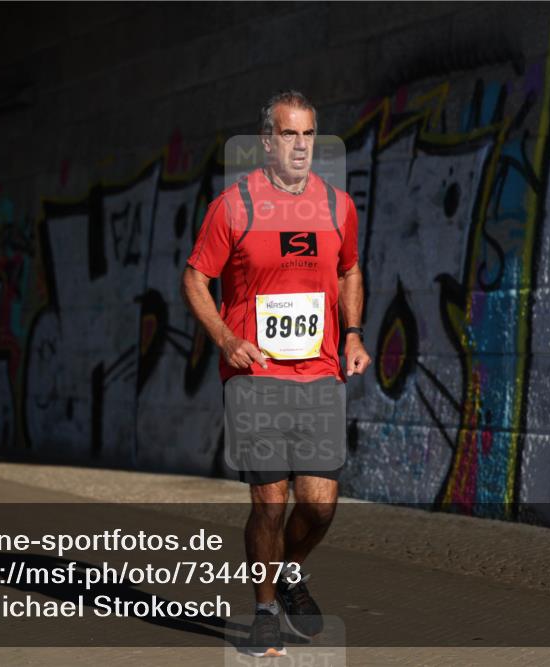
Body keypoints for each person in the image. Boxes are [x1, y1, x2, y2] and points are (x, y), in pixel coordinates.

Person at [182, 91, 370, 657]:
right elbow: (195, 279)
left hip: (319, 374)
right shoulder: (234, 206)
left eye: (308, 135)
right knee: (269, 501)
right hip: (256, 375)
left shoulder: (338, 207)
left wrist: (354, 333)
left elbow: (350, 270)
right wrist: (226, 339)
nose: (300, 146)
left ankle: (288, 573)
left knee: (319, 505)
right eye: (289, 135)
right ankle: (265, 607)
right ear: (268, 141)